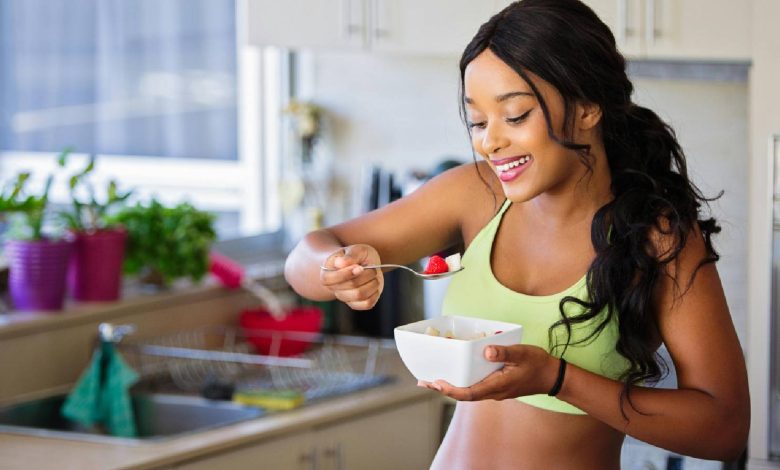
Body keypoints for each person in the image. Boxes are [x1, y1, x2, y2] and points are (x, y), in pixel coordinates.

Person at [283, 0, 750, 468]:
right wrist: (334, 269)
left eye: (516, 115)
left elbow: (724, 429)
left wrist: (556, 378)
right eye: (479, 122)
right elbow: (305, 257)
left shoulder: (657, 237)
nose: (490, 141)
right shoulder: (475, 194)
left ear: (588, 107)